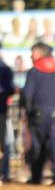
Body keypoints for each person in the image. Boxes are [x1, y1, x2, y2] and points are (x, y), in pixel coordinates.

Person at [22, 42, 55, 185]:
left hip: (37, 114)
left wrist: (29, 111)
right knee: (54, 144)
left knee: (37, 145)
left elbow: (27, 94)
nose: (31, 55)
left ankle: (36, 177)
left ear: (41, 53)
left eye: (33, 52)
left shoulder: (34, 71)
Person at [0, 43, 15, 182]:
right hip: (2, 111)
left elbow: (9, 90)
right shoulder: (6, 68)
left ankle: (4, 173)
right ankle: (4, 173)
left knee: (3, 143)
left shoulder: (5, 69)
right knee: (3, 143)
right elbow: (10, 90)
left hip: (1, 111)